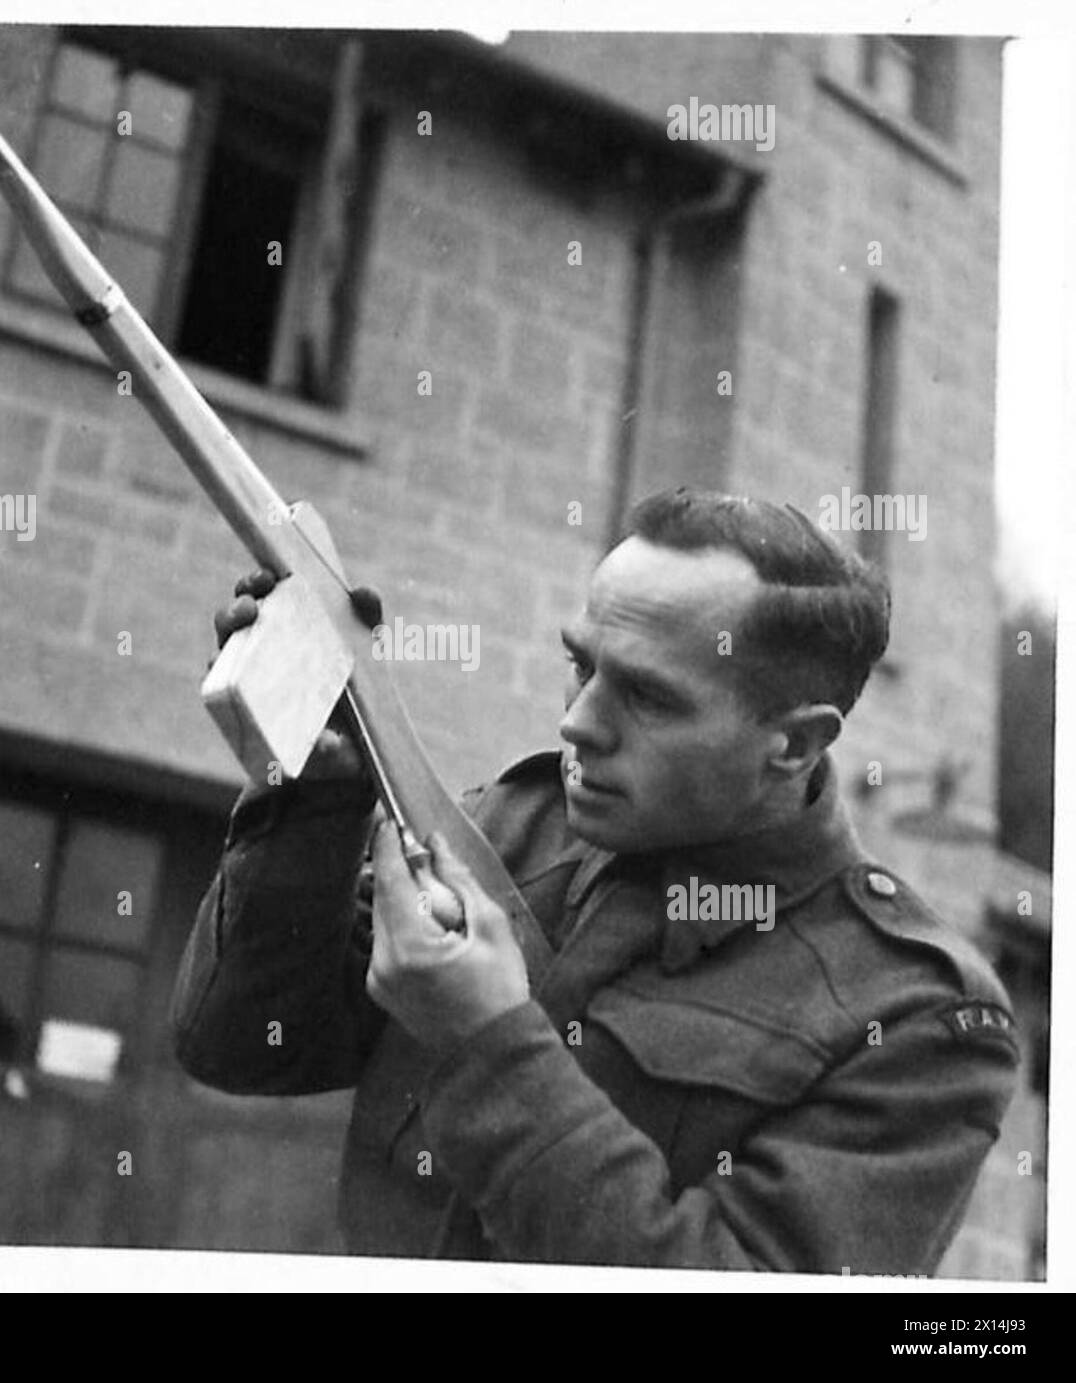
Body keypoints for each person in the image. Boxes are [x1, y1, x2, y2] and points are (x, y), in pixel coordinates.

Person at [170, 488, 1019, 1272]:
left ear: (794, 743)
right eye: (582, 665)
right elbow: (240, 1044)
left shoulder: (916, 1018)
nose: (578, 722)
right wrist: (319, 796)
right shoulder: (504, 827)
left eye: (648, 697)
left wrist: (485, 1040)